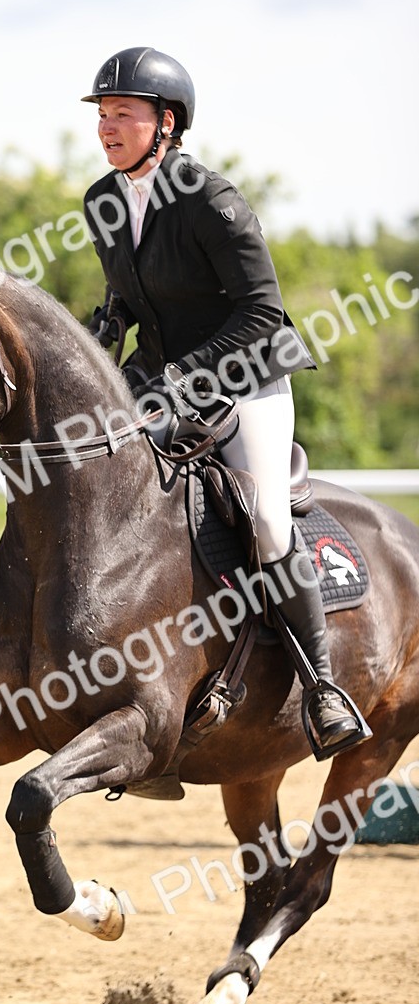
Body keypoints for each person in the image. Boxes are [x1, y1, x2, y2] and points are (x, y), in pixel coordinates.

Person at [81, 45, 368, 758]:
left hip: (248, 379)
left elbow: (263, 313)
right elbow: (130, 293)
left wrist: (186, 375)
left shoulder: (213, 201)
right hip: (162, 380)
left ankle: (324, 687)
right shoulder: (102, 201)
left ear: (167, 123)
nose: (108, 127)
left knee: (268, 519)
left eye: (124, 114)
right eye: (103, 115)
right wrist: (99, 341)